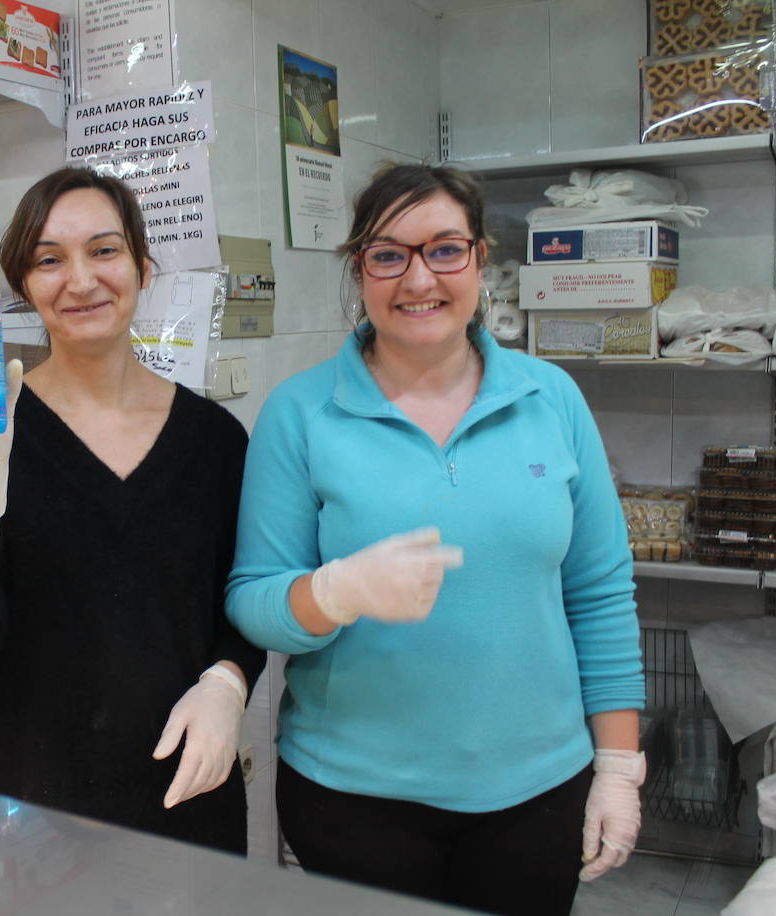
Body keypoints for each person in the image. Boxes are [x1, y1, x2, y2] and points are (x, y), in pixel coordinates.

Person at [225, 162, 645, 914]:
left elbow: (601, 592)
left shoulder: (551, 399)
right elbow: (253, 599)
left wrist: (617, 764)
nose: (419, 278)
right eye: (390, 255)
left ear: (482, 259)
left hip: (538, 792)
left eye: (445, 249)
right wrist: (333, 593)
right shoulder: (301, 412)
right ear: (361, 270)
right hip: (352, 798)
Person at [0, 167, 265, 854]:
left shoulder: (215, 441)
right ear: (22, 286)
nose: (81, 279)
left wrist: (229, 681)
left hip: (180, 805)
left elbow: (244, 600)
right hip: (24, 817)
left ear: (142, 265)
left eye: (104, 250)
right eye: (48, 260)